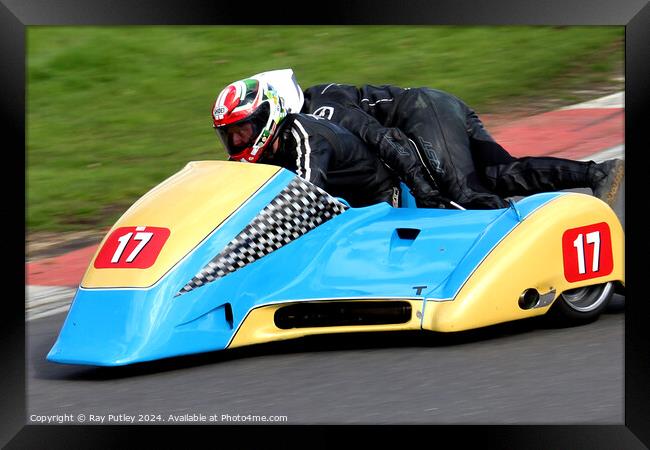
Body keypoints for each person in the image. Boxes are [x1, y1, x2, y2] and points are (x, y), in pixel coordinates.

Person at [300, 81, 625, 209]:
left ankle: (508, 247)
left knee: (463, 193)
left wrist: (425, 190)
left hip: (421, 112)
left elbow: (387, 139)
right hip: (436, 107)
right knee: (500, 175)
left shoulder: (320, 111)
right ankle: (598, 173)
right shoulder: (309, 119)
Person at [211, 75, 401, 208]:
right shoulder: (259, 150)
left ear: (265, 118)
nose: (235, 140)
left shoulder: (307, 137)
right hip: (339, 200)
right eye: (228, 134)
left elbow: (307, 197)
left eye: (242, 130)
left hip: (375, 195)